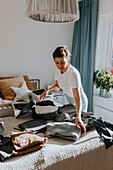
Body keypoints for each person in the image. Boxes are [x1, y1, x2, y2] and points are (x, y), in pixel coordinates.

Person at [40, 45, 88, 133]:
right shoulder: (57, 71)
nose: (60, 66)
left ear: (68, 59)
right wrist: (47, 91)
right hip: (70, 100)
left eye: (62, 62)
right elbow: (58, 86)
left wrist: (79, 116)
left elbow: (77, 98)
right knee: (62, 120)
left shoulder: (73, 73)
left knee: (78, 126)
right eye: (57, 63)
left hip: (80, 101)